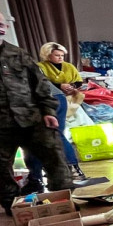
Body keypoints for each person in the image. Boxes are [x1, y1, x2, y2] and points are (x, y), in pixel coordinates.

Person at [0, 7, 71, 214]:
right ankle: (13, 208)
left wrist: (48, 110)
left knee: (55, 157)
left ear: (6, 26)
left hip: (31, 118)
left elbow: (39, 84)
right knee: (0, 169)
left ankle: (63, 200)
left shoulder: (17, 53)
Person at [22, 42, 88, 190]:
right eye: (57, 55)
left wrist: (71, 87)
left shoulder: (30, 69)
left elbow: (44, 86)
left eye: (62, 55)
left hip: (52, 100)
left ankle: (39, 176)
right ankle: (40, 176)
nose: (60, 58)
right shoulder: (40, 66)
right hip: (54, 98)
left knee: (50, 136)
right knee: (52, 136)